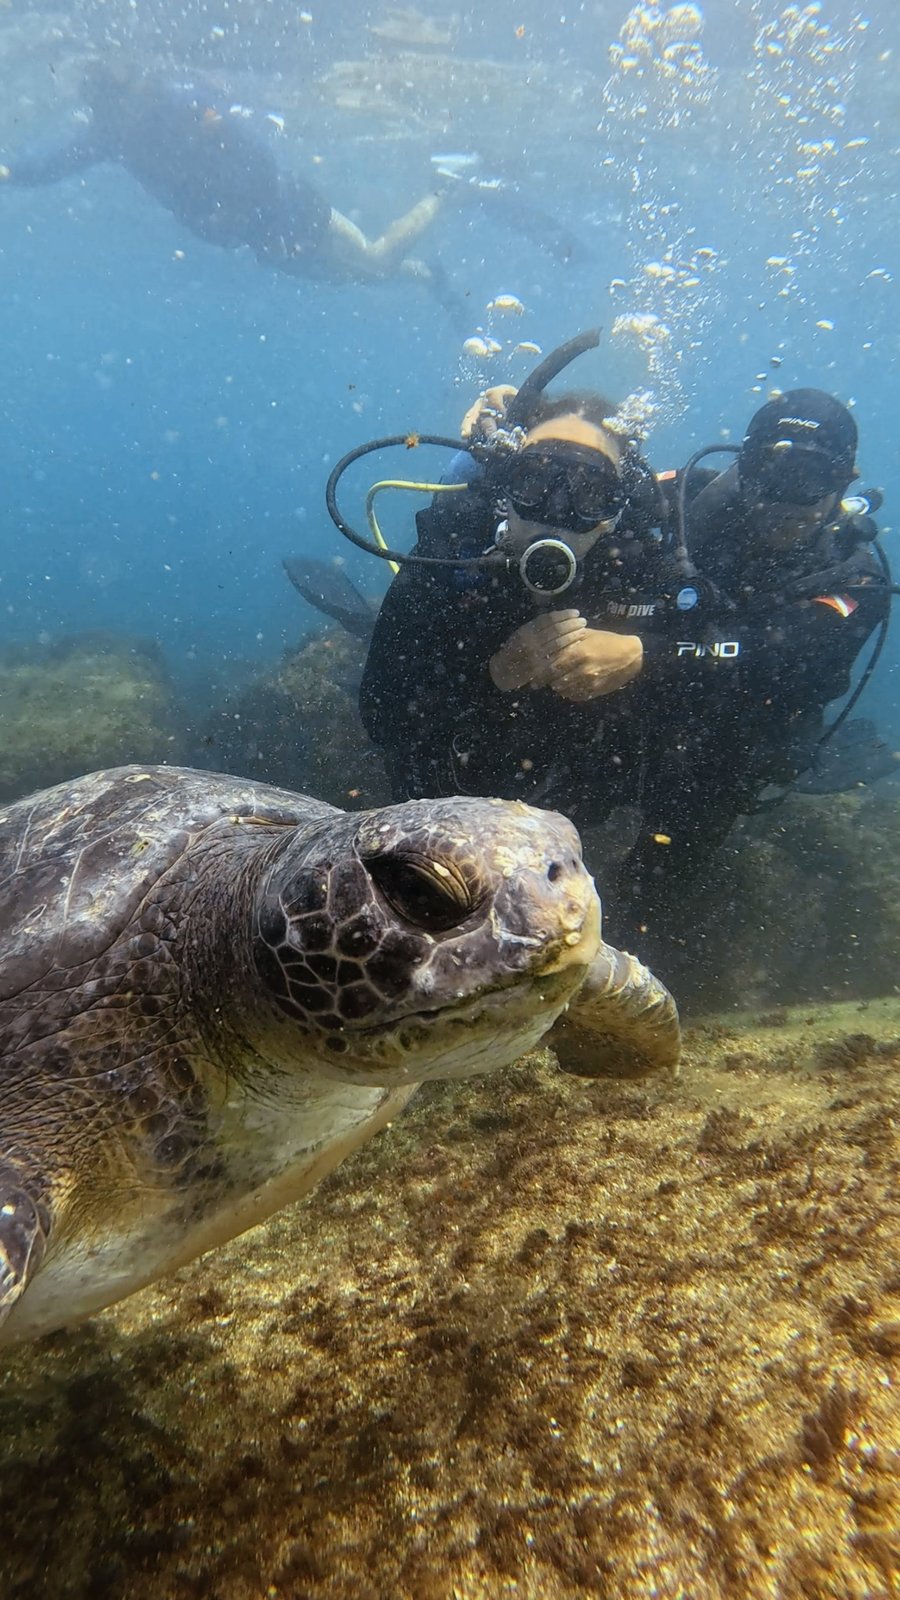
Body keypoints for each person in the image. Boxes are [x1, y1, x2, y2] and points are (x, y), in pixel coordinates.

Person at [352, 345, 890, 966]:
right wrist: (506, 437)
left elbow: (774, 654)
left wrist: (647, 657)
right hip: (559, 731)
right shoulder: (667, 506)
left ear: (843, 485)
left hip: (720, 736)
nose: (783, 501)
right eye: (535, 480)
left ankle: (628, 944)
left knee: (690, 804)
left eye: (809, 481)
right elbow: (389, 714)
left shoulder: (852, 578)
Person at [0, 58, 449, 289]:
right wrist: (10, 170)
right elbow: (54, 160)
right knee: (363, 274)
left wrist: (243, 213)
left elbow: (259, 158)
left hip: (291, 215)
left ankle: (443, 193)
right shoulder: (113, 133)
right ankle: (426, 275)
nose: (123, 117)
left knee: (372, 263)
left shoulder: (174, 104)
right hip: (267, 236)